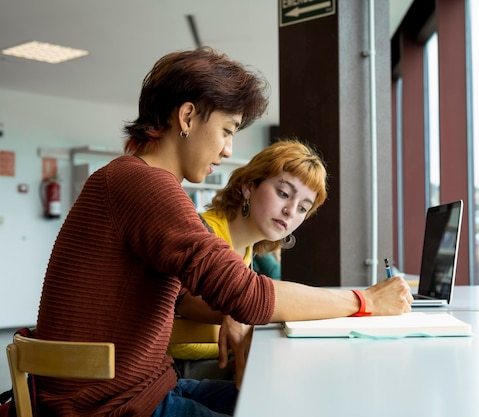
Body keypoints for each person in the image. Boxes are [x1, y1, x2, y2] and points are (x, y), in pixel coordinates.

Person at [35, 46, 412, 417]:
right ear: (187, 117)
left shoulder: (132, 179)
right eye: (227, 130)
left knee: (292, 399)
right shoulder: (144, 184)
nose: (228, 150)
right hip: (111, 406)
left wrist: (236, 306)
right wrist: (366, 300)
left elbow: (190, 296)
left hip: (146, 387)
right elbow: (248, 293)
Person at [169, 139, 327, 373]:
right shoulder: (202, 231)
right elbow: (183, 301)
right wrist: (235, 308)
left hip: (217, 363)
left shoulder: (247, 249)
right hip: (179, 369)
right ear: (248, 186)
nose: (291, 211)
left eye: (303, 208)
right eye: (284, 193)